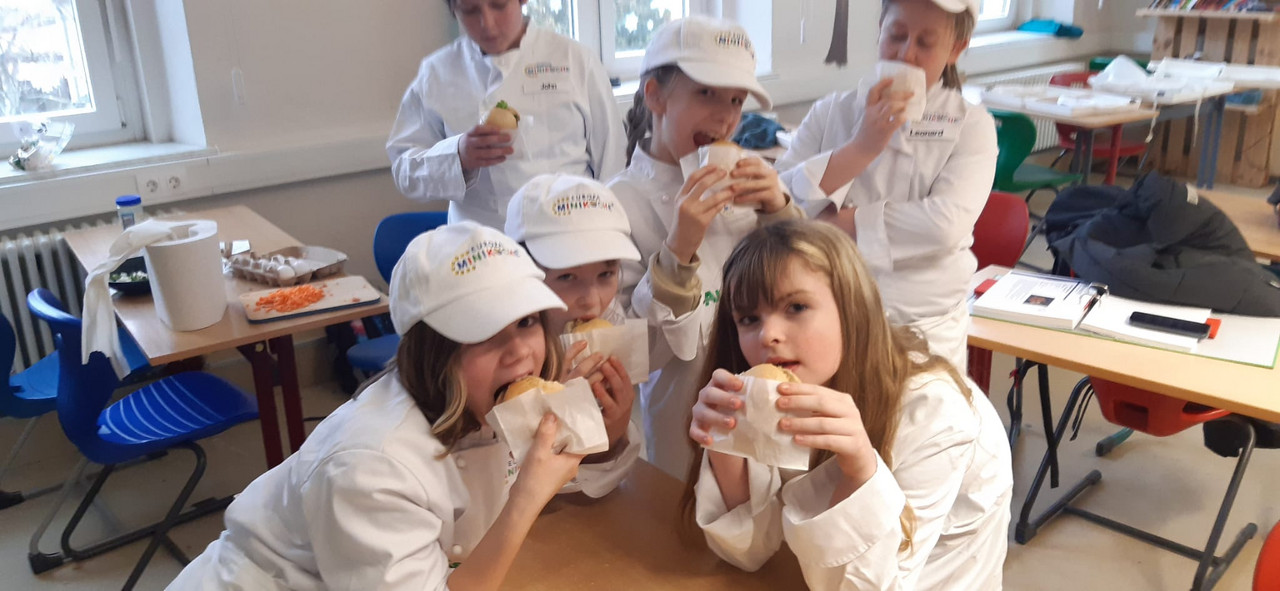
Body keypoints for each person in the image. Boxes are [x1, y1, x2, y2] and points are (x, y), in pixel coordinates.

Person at [168, 223, 640, 590]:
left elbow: (569, 482)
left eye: (527, 322)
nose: (519, 352)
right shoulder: (371, 467)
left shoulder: (490, 403)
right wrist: (524, 501)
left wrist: (605, 430)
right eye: (484, 333)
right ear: (432, 351)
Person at [685, 220, 1011, 590]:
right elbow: (751, 554)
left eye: (796, 307)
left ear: (853, 308)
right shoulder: (770, 392)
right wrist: (725, 446)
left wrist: (860, 471)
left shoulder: (934, 414)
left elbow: (874, 584)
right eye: (748, 319)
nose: (768, 335)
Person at [609, 15, 804, 478]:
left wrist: (780, 214)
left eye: (735, 100)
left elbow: (807, 294)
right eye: (706, 94)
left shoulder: (755, 183)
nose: (725, 117)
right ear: (655, 95)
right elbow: (630, 358)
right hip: (681, 425)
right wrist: (677, 253)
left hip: (771, 403)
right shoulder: (618, 205)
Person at [774, 0, 997, 370]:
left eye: (925, 43)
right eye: (896, 35)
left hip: (922, 325)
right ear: (880, 29)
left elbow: (944, 225)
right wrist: (861, 147)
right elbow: (778, 208)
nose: (906, 54)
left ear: (956, 49)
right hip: (827, 316)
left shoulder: (971, 126)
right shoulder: (831, 112)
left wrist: (833, 224)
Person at [387, 0, 626, 229]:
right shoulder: (436, 73)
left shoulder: (576, 60)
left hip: (571, 233)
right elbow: (404, 170)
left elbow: (613, 163)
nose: (487, 24)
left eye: (499, 5)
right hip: (482, 242)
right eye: (469, 10)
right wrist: (456, 156)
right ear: (453, 9)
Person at [505, 172, 644, 457]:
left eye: (606, 274)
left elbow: (599, 472)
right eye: (567, 277)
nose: (592, 302)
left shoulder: (611, 322)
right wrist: (550, 410)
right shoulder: (502, 355)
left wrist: (612, 434)